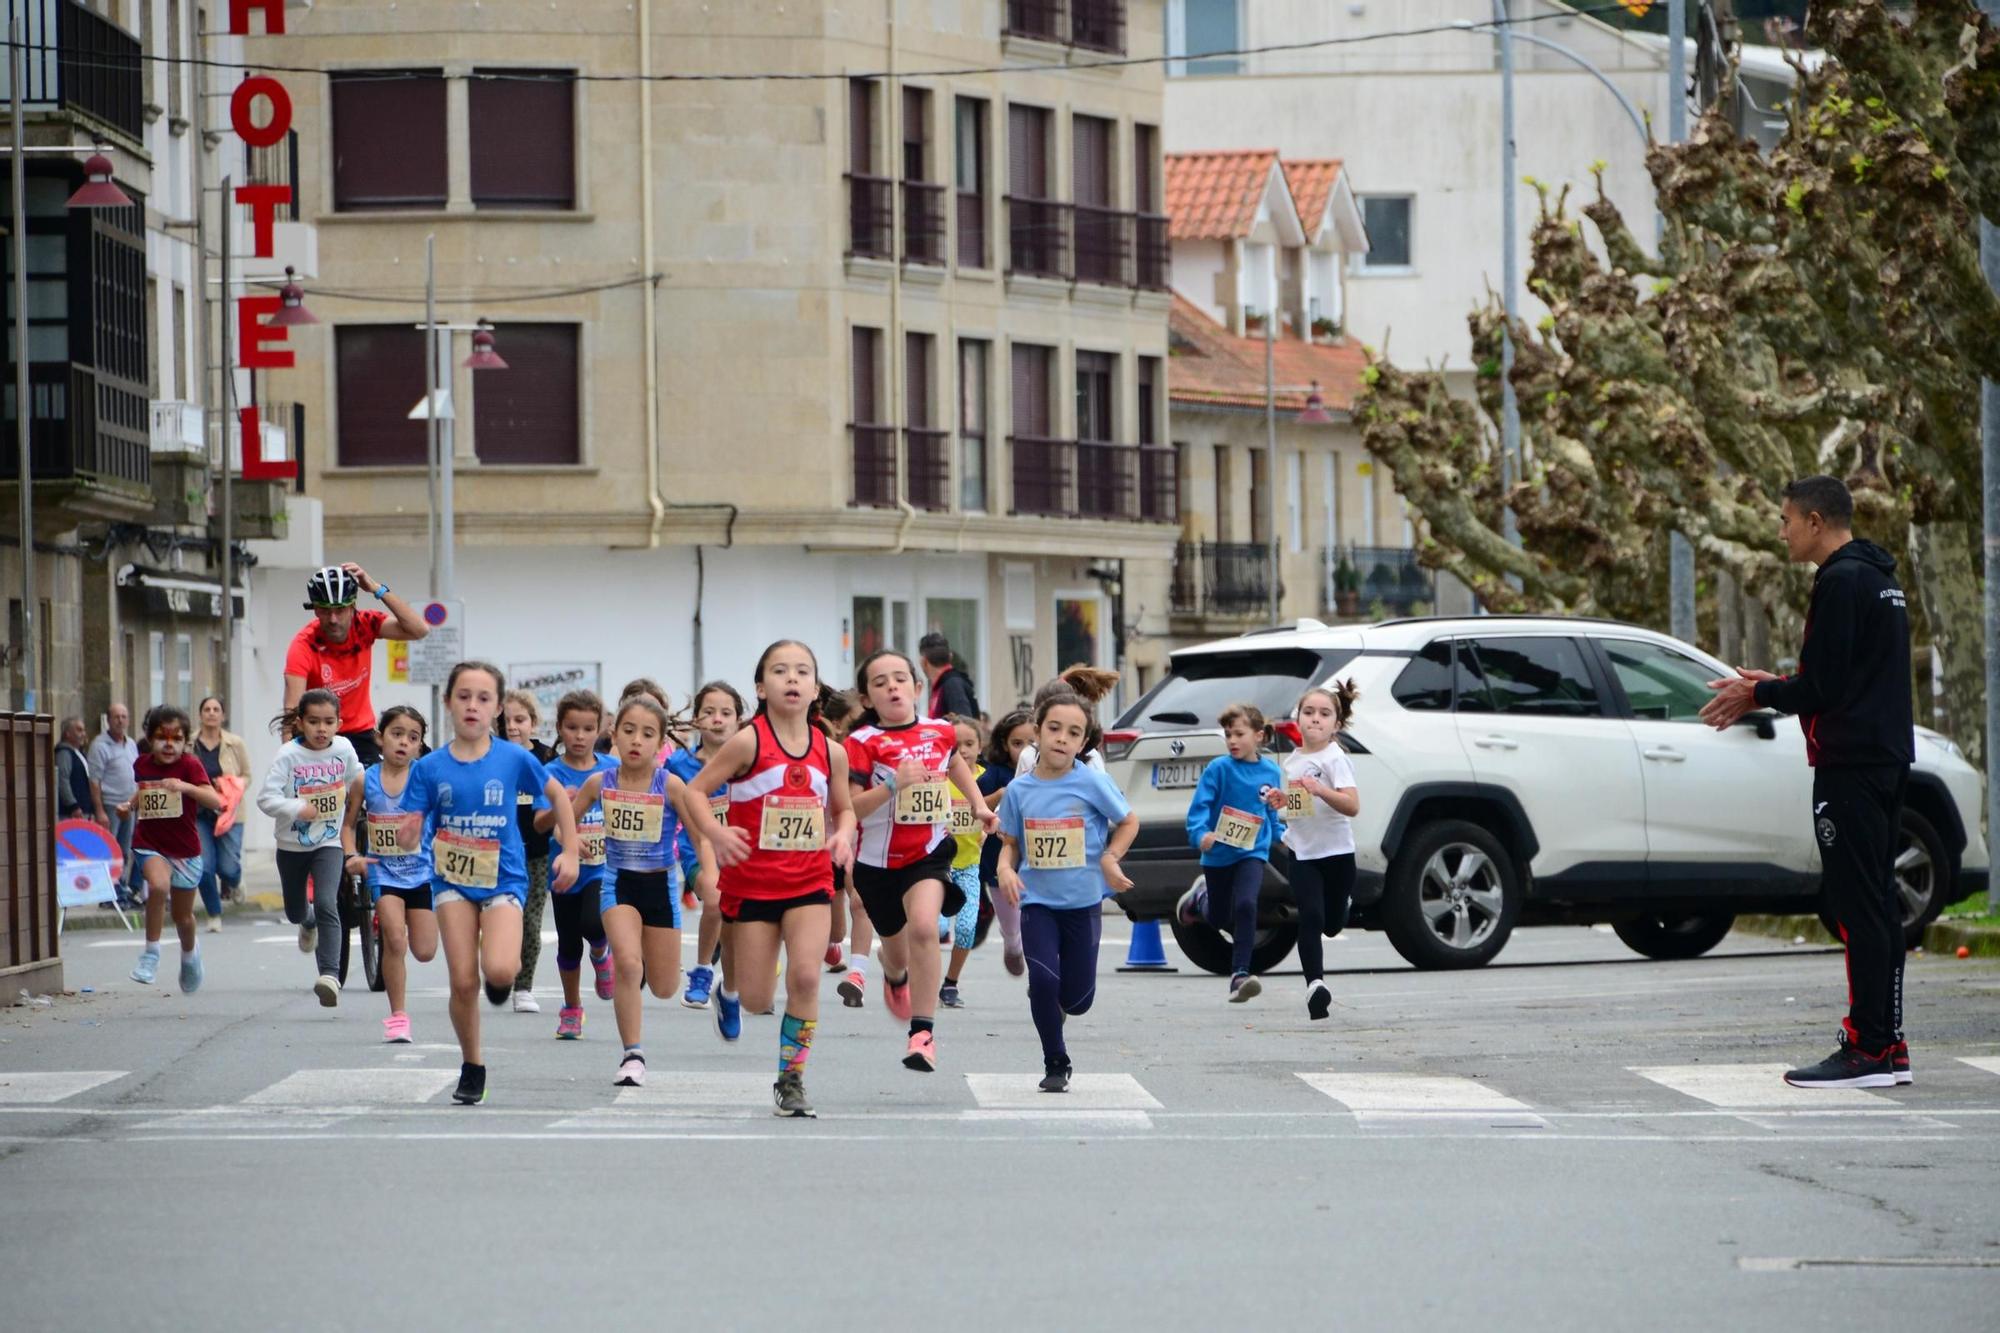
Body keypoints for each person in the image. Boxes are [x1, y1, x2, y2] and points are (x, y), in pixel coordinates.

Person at [1701, 475, 1915, 1090]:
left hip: (1850, 766)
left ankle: (1867, 1049)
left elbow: (1822, 689)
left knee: (1858, 909)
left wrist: (1757, 693)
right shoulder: (1881, 579)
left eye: (1786, 520)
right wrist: (1776, 684)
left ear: (1816, 521)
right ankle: (1889, 1043)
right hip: (1884, 759)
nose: (1781, 531)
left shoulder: (1841, 580)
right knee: (1877, 904)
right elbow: (1843, 676)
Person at [681, 639, 859, 1118]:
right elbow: (696, 793)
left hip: (810, 884)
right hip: (753, 885)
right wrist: (717, 834)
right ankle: (729, 988)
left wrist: (842, 836)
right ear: (761, 687)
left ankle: (791, 1080)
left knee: (805, 976)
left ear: (816, 686)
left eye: (803, 671)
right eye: (780, 671)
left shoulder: (830, 751)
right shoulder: (747, 741)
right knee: (759, 998)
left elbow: (843, 810)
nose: (793, 678)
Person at [400, 661, 581, 1106]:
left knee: (500, 971)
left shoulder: (515, 758)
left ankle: (500, 980)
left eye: (483, 699)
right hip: (452, 880)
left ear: (497, 708)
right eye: (463, 697)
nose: (472, 707)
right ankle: (472, 1064)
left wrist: (572, 850)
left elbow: (556, 795)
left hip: (505, 878)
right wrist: (409, 828)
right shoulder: (429, 767)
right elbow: (414, 813)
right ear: (448, 704)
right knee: (463, 982)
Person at [843, 650, 998, 1073]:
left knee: (926, 928)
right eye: (880, 682)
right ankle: (894, 975)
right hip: (875, 865)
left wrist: (979, 806)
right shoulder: (860, 744)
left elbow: (955, 768)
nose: (892, 686)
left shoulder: (940, 732)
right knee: (895, 950)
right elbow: (850, 809)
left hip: (927, 855)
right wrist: (894, 784)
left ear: (916, 688)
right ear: (868, 699)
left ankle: (923, 1033)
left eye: (899, 678)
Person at [995, 685, 1137, 1092]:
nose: (1062, 738)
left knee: (1078, 1000)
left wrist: (1110, 858)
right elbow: (1010, 844)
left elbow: (1129, 822)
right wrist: (1006, 870)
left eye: (1073, 733)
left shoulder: (1091, 783)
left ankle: (1057, 1006)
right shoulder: (1020, 791)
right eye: (1054, 728)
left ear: (1083, 741)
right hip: (1037, 902)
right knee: (1042, 982)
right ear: (1036, 732)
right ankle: (1055, 1059)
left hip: (1083, 903)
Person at [597, 691, 709, 1087]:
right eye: (628, 731)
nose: (636, 740)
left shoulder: (672, 785)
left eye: (647, 734)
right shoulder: (602, 779)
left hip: (660, 886)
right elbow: (565, 813)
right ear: (615, 733)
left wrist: (709, 877)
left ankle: (648, 954)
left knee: (663, 987)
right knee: (628, 965)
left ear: (661, 744)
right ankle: (633, 1054)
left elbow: (698, 836)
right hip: (618, 884)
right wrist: (569, 845)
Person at [257, 689, 366, 1007]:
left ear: (339, 723)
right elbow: (265, 799)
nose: (322, 729)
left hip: (328, 841)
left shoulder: (344, 748)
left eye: (329, 722)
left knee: (326, 901)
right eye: (314, 722)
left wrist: (364, 787)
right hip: (291, 844)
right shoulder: (288, 755)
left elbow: (355, 774)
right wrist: (295, 808)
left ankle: (330, 976)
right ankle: (306, 922)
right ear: (301, 723)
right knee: (295, 911)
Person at [1176, 702, 1286, 1003]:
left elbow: (1271, 814)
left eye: (1239, 734)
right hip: (1218, 854)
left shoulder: (1271, 771)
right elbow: (1198, 808)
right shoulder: (1219, 769)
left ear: (1259, 736)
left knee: (1247, 904)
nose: (1233, 741)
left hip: (1253, 851)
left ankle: (1240, 974)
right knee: (1219, 916)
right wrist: (1200, 834)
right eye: (1228, 735)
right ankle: (1200, 899)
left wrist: (1282, 835)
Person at [343, 705, 437, 1043]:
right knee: (395, 940)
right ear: (380, 738)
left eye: (412, 738)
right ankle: (398, 1016)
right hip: (383, 873)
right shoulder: (364, 780)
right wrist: (352, 855)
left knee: (425, 951)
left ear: (419, 747)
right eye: (397, 734)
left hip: (423, 874)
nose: (403, 743)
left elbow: (443, 819)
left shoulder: (425, 779)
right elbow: (349, 827)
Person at [281, 563, 430, 766]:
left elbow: (419, 630)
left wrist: (376, 588)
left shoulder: (365, 624)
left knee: (374, 789)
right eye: (325, 611)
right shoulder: (304, 645)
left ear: (352, 606)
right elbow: (291, 712)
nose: (333, 619)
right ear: (315, 609)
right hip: (322, 735)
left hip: (361, 734)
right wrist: (290, 763)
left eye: (340, 610)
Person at [124, 706, 225, 992]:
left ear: (185, 741)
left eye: (176, 738)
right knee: (157, 886)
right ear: (149, 737)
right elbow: (144, 790)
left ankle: (190, 956)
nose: (169, 745)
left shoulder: (190, 766)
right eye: (161, 737)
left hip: (184, 849)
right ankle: (151, 954)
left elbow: (213, 800)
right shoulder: (142, 764)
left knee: (183, 917)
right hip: (150, 843)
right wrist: (128, 805)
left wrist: (184, 787)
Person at [1281, 683, 1362, 1022]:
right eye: (1309, 712)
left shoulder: (1335, 758)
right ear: (1297, 718)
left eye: (1324, 714)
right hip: (1302, 851)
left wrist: (1322, 790)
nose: (1315, 719)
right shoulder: (1292, 762)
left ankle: (1342, 904)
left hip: (1337, 853)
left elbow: (1352, 806)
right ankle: (1315, 985)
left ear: (1336, 725)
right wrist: (1280, 800)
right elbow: (1298, 806)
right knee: (1310, 917)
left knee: (1331, 924)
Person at [543, 690, 617, 1040]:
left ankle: (602, 953)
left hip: (603, 867)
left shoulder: (612, 770)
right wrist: (561, 815)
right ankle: (572, 1009)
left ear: (600, 729)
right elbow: (538, 823)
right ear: (559, 728)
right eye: (572, 728)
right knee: (569, 944)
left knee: (593, 921)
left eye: (588, 728)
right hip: (564, 871)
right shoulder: (549, 772)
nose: (580, 736)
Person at [671, 681, 744, 1010]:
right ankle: (702, 970)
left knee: (739, 920)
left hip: (742, 854)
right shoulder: (678, 764)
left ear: (738, 721)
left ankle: (739, 975)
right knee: (714, 899)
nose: (717, 718)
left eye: (726, 712)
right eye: (709, 712)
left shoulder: (748, 763)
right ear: (697, 720)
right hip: (697, 851)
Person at [501, 690, 557, 1014]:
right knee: (500, 917)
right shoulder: (491, 756)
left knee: (531, 920)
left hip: (537, 853)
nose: (512, 727)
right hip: (497, 853)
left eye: (519, 720)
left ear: (532, 723)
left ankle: (524, 987)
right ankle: (499, 964)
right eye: (505, 720)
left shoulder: (546, 758)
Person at [978, 709, 1035, 977]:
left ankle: (1039, 963)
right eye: (1017, 743)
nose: (1025, 750)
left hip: (1036, 855)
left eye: (1031, 743)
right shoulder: (996, 774)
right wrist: (1001, 794)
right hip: (998, 855)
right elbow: (974, 802)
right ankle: (1012, 942)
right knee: (1011, 918)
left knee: (1037, 915)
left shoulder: (1047, 774)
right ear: (1003, 744)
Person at [190, 697, 251, 930]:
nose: (211, 713)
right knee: (204, 866)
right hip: (199, 813)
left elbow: (248, 775)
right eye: (207, 709)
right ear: (200, 714)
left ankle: (236, 881)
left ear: (223, 715)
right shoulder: (190, 744)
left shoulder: (235, 743)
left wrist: (229, 784)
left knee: (227, 867)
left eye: (216, 710)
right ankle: (214, 914)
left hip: (229, 811)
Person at [938, 715, 986, 1008]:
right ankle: (919, 973)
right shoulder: (937, 780)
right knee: (936, 928)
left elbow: (999, 810)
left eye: (970, 744)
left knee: (967, 927)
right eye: (957, 745)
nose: (964, 750)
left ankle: (951, 982)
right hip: (938, 867)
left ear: (980, 747)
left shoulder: (984, 779)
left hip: (969, 866)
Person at [87, 703, 140, 898]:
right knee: (109, 848)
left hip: (130, 805)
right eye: (116, 717)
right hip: (110, 804)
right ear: (108, 720)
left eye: (124, 716)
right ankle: (106, 890)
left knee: (125, 849)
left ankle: (120, 886)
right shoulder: (99, 745)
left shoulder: (131, 744)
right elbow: (94, 781)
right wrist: (99, 810)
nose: (120, 721)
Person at [918, 631, 979, 719]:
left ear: (924, 661)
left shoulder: (952, 685)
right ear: (950, 657)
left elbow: (963, 725)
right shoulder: (947, 684)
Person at [56, 717, 92, 821]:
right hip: (70, 813)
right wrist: (73, 805)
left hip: (84, 810)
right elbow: (62, 780)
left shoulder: (79, 753)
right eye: (79, 730)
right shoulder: (64, 753)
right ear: (67, 733)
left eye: (83, 730)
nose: (83, 734)